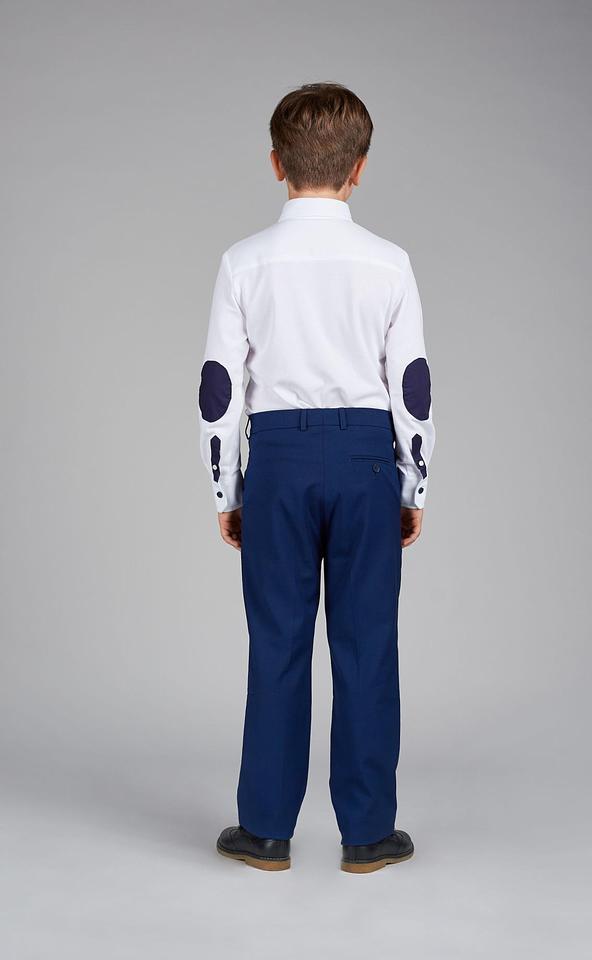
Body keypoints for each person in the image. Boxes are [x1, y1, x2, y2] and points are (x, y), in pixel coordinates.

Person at [198, 83, 435, 873]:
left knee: (277, 641)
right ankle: (367, 834)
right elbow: (412, 388)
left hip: (278, 463)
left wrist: (229, 490)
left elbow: (218, 390)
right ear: (359, 168)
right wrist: (413, 486)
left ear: (276, 164)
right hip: (367, 461)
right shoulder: (390, 263)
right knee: (367, 644)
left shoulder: (243, 262)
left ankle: (265, 830)